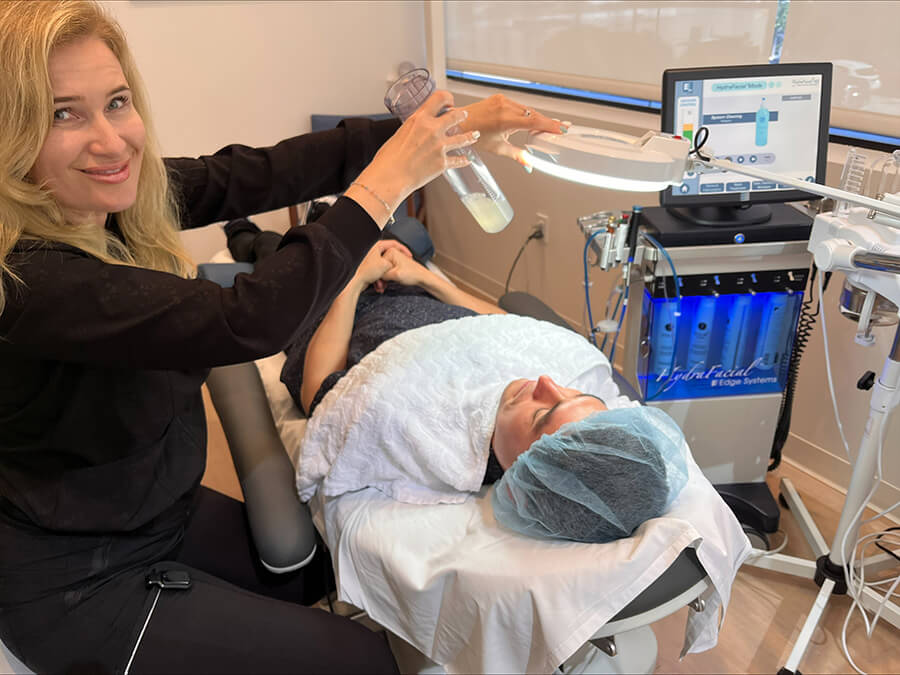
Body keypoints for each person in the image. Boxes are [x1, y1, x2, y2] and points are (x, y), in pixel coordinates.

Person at [0, 1, 564, 673]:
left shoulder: (105, 202)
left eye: (117, 102)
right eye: (66, 113)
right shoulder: (29, 280)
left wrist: (441, 130)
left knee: (334, 577)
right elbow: (246, 320)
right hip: (77, 582)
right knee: (361, 659)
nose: (112, 140)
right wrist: (387, 185)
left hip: (155, 511)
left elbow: (258, 171)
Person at [227, 224, 688, 543]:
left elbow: (319, 393)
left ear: (525, 474)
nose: (547, 381)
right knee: (358, 234)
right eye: (573, 394)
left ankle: (243, 235)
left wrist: (353, 281)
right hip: (409, 290)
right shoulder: (527, 407)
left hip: (331, 312)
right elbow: (510, 329)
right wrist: (424, 278)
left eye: (544, 412)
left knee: (291, 254)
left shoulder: (415, 425)